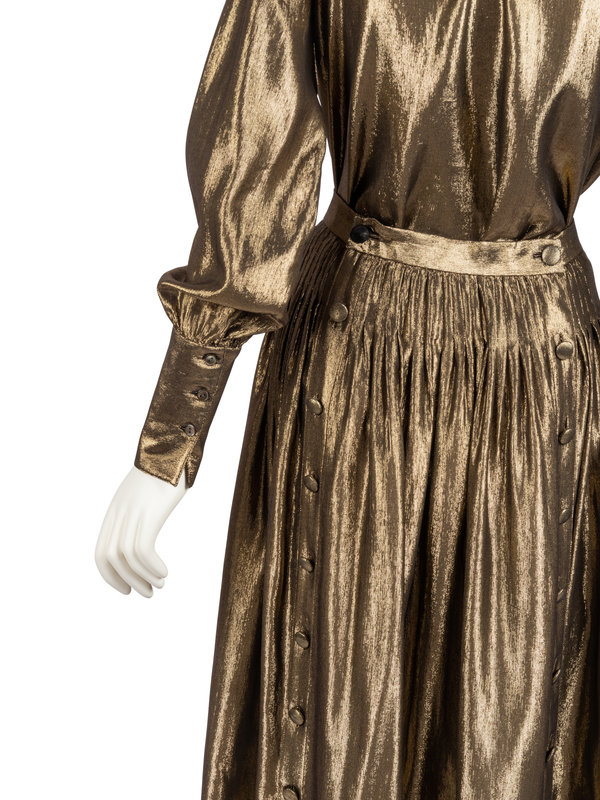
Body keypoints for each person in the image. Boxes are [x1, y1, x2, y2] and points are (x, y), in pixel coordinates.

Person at [96, 0, 600, 797]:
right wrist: (173, 432)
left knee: (366, 706)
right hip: (522, 351)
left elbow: (255, 153)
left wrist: (168, 443)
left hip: (368, 337)